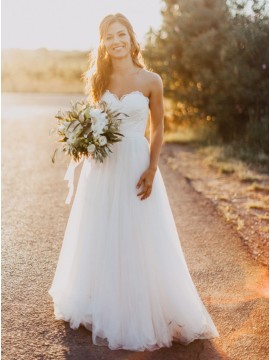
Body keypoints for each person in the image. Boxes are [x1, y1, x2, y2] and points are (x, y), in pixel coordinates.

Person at [48, 13, 219, 352]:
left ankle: (144, 307)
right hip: (104, 167)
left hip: (137, 161)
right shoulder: (98, 78)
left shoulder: (151, 80)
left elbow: (158, 128)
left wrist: (153, 168)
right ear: (103, 42)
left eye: (121, 34)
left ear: (131, 37)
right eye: (109, 36)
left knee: (141, 232)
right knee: (102, 230)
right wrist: (83, 138)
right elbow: (94, 119)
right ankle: (104, 300)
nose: (116, 41)